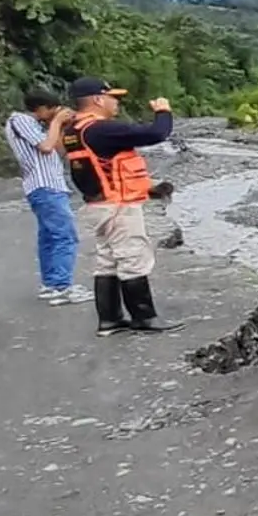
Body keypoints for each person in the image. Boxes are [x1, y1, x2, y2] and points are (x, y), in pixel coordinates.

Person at [61, 77, 183, 337]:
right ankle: (144, 318)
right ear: (97, 99)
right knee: (133, 258)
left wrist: (148, 188)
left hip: (98, 204)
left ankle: (110, 319)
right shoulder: (100, 129)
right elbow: (156, 134)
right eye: (112, 97)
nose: (116, 102)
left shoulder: (73, 130)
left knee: (106, 261)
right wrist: (163, 111)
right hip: (118, 206)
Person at [3, 89, 92, 305]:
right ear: (40, 108)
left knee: (50, 237)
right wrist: (56, 122)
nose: (54, 114)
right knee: (64, 235)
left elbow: (59, 151)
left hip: (52, 186)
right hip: (44, 186)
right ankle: (62, 287)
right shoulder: (20, 120)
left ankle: (52, 284)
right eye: (51, 110)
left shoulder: (41, 127)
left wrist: (60, 126)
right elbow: (45, 147)